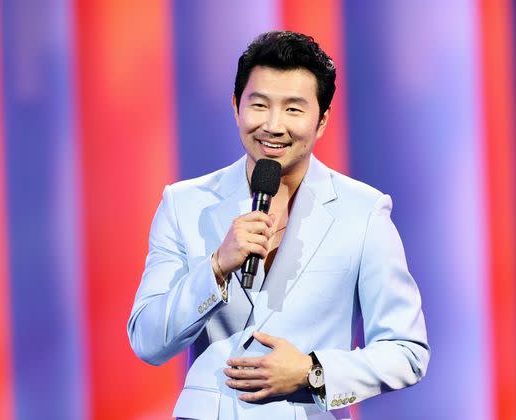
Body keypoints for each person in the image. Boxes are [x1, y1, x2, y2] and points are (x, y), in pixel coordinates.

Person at [127, 31, 430, 420]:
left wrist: (312, 372)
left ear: (321, 121)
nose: (272, 125)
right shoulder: (185, 203)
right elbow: (148, 341)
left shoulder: (364, 210)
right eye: (259, 105)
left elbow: (407, 351)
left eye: (293, 109)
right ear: (237, 106)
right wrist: (217, 267)